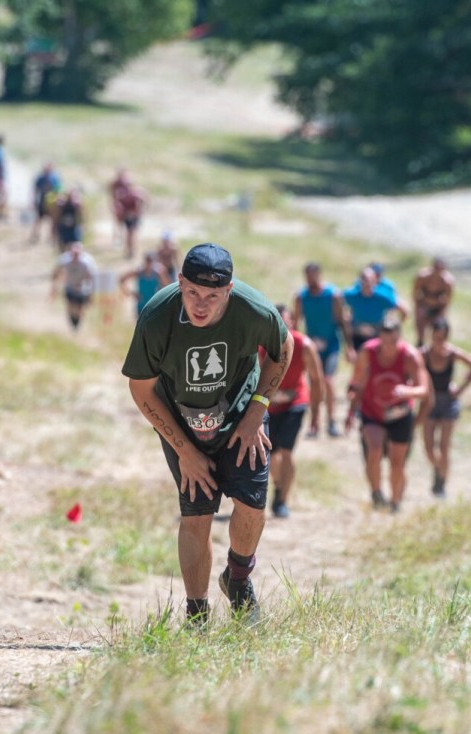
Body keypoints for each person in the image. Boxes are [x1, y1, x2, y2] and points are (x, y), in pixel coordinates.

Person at [121, 243, 293, 624]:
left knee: (251, 503)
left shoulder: (253, 310)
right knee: (197, 514)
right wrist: (184, 450)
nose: (201, 305)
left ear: (228, 291)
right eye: (193, 293)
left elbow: (284, 346)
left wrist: (258, 409)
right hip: (181, 421)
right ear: (179, 282)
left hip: (240, 416)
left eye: (213, 296)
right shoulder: (157, 318)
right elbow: (141, 388)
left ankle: (238, 578)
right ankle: (197, 617)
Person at [344, 317, 429, 513]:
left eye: (393, 341)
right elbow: (356, 381)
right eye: (384, 341)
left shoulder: (410, 356)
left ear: (400, 337)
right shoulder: (368, 352)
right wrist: (350, 409)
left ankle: (396, 501)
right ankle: (376, 493)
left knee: (397, 462)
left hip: (399, 413)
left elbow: (423, 389)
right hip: (372, 411)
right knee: (374, 450)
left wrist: (407, 392)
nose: (388, 346)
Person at [264, 304, 324, 518]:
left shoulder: (303, 345)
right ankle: (279, 485)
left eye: (285, 322)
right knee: (270, 455)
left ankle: (282, 500)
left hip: (295, 402)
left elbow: (316, 380)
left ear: (292, 323)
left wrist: (316, 414)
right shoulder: (260, 344)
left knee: (287, 451)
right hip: (267, 405)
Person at [418, 318, 471, 497]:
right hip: (429, 403)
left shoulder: (452, 354)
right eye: (435, 338)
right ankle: (438, 469)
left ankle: (442, 483)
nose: (438, 342)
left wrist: (460, 389)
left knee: (444, 447)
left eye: (442, 338)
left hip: (448, 402)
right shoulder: (423, 354)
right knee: (429, 448)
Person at [293, 262, 354, 437]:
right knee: (314, 383)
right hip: (312, 347)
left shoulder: (333, 295)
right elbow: (296, 322)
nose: (310, 279)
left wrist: (349, 347)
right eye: (307, 276)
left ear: (319, 274)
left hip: (332, 345)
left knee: (327, 380)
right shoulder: (301, 297)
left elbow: (343, 322)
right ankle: (314, 422)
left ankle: (331, 421)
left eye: (313, 275)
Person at [343, 266, 408, 352]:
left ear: (375, 282)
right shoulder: (351, 295)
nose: (366, 284)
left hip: (377, 335)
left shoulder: (383, 297)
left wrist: (394, 325)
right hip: (357, 334)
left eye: (369, 281)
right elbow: (337, 303)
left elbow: (403, 310)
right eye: (364, 280)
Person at [50, 241, 98, 331]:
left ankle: (77, 324)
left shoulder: (87, 263)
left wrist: (91, 294)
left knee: (79, 309)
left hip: (82, 289)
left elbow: (93, 279)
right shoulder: (64, 260)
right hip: (70, 286)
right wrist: (54, 289)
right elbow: (55, 273)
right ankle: (72, 324)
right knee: (70, 307)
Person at [412, 257, 454, 346]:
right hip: (424, 305)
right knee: (420, 330)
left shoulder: (447, 282)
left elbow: (447, 301)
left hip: (438, 308)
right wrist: (418, 308)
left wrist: (441, 313)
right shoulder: (422, 277)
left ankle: (436, 347)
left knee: (439, 329)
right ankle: (420, 344)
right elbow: (415, 293)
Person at [109, 168, 147, 258]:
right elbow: (116, 202)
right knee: (128, 233)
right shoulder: (122, 194)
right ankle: (128, 250)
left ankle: (132, 250)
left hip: (134, 216)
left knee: (131, 233)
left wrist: (139, 211)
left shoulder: (136, 194)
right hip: (127, 216)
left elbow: (143, 200)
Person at [30, 163, 61, 245]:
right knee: (38, 219)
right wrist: (33, 201)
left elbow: (58, 190)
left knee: (53, 221)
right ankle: (35, 235)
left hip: (52, 202)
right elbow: (35, 189)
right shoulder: (40, 178)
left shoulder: (55, 178)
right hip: (42, 200)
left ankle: (51, 237)